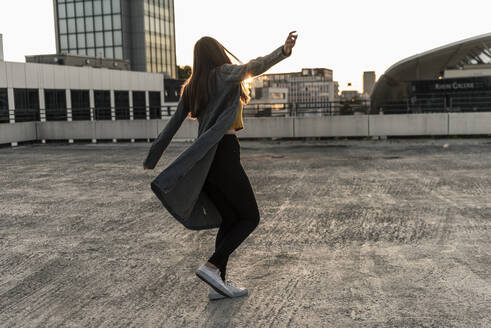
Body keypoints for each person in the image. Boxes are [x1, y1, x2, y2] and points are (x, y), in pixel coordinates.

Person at [144, 32, 297, 300]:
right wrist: (282, 51)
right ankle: (212, 266)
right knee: (250, 217)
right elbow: (253, 67)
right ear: (218, 53)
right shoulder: (224, 73)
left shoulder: (192, 87)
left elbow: (172, 125)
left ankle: (218, 286)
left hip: (205, 161)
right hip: (224, 152)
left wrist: (152, 157)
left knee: (230, 218)